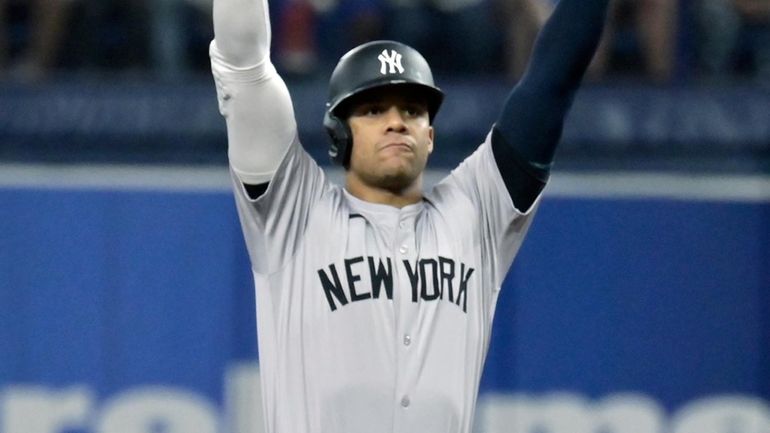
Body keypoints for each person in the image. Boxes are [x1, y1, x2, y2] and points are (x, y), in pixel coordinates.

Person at [209, 0, 608, 431]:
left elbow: (553, 78)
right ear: (339, 132)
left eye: (413, 111)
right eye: (374, 110)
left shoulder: (475, 214)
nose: (397, 123)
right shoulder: (294, 213)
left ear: (430, 137)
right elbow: (243, 65)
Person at [696, 0, 770, 83]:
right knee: (721, 15)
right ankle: (710, 73)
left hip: (759, 10)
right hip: (724, 6)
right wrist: (744, 6)